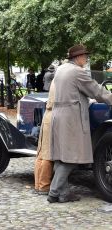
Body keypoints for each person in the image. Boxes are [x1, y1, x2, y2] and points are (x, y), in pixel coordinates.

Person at [47, 44, 112, 203]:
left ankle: (64, 194)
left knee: (61, 157)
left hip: (58, 114)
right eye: (85, 56)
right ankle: (54, 192)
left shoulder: (61, 69)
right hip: (70, 118)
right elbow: (96, 90)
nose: (86, 58)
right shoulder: (77, 72)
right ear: (78, 57)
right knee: (71, 157)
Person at [34, 80, 55, 194]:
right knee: (47, 153)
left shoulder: (55, 79)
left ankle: (38, 185)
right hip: (53, 115)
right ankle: (44, 185)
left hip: (48, 115)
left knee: (42, 152)